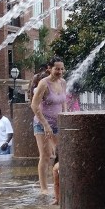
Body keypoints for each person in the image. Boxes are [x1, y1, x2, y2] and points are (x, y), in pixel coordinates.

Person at [30, 56, 69, 195]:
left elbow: (63, 102)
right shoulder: (43, 83)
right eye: (57, 68)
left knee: (61, 155)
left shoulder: (63, 82)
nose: (60, 71)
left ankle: (59, 185)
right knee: (45, 155)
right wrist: (46, 125)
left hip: (58, 124)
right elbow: (34, 105)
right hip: (42, 124)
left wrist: (65, 117)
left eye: (61, 68)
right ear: (49, 69)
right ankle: (44, 188)